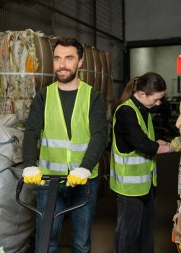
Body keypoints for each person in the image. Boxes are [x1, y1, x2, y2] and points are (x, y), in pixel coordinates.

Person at [22, 37, 108, 253]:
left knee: (81, 242)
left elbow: (99, 135)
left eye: (69, 58)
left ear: (80, 62)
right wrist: (30, 164)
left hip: (84, 179)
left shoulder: (93, 97)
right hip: (50, 180)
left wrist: (85, 167)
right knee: (46, 241)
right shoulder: (43, 96)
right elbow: (31, 132)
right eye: (58, 58)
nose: (62, 64)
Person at [110, 72, 172, 253]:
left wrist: (158, 143)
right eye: (157, 99)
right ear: (143, 94)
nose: (158, 103)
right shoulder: (125, 111)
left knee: (146, 234)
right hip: (129, 188)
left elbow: (145, 139)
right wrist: (174, 147)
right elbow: (142, 143)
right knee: (127, 236)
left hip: (147, 186)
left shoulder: (143, 110)